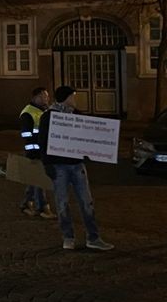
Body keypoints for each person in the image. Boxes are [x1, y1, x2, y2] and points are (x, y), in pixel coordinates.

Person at [38, 86, 114, 251]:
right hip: (59, 167)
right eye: (73, 96)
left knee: (87, 202)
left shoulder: (77, 115)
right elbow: (43, 142)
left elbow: (87, 137)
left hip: (77, 165)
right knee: (62, 203)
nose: (75, 99)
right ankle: (68, 237)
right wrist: (47, 164)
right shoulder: (48, 117)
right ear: (65, 98)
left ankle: (93, 237)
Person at [18, 87, 54, 219]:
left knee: (34, 179)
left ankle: (28, 204)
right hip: (34, 151)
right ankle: (42, 207)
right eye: (44, 96)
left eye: (47, 96)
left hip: (41, 150)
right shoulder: (28, 113)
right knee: (39, 180)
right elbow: (26, 133)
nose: (47, 99)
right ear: (36, 97)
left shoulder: (42, 111)